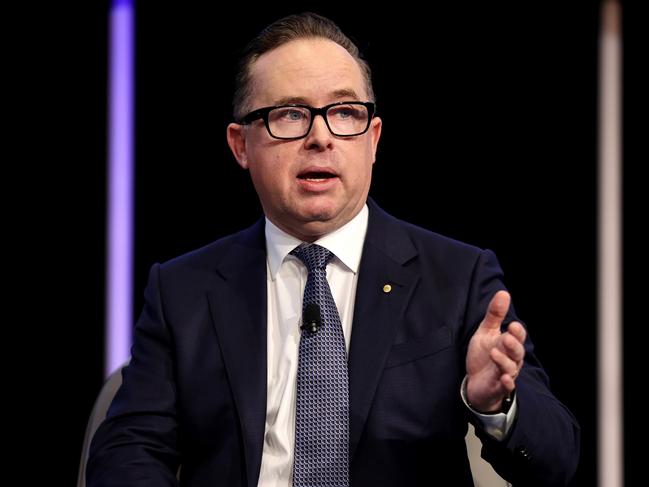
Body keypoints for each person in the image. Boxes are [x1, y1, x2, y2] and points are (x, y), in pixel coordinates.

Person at [87, 12, 579, 487]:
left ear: (373, 138)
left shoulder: (459, 277)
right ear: (241, 145)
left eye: (345, 113)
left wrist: (496, 405)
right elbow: (129, 450)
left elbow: (557, 461)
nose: (321, 137)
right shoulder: (183, 290)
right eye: (290, 114)